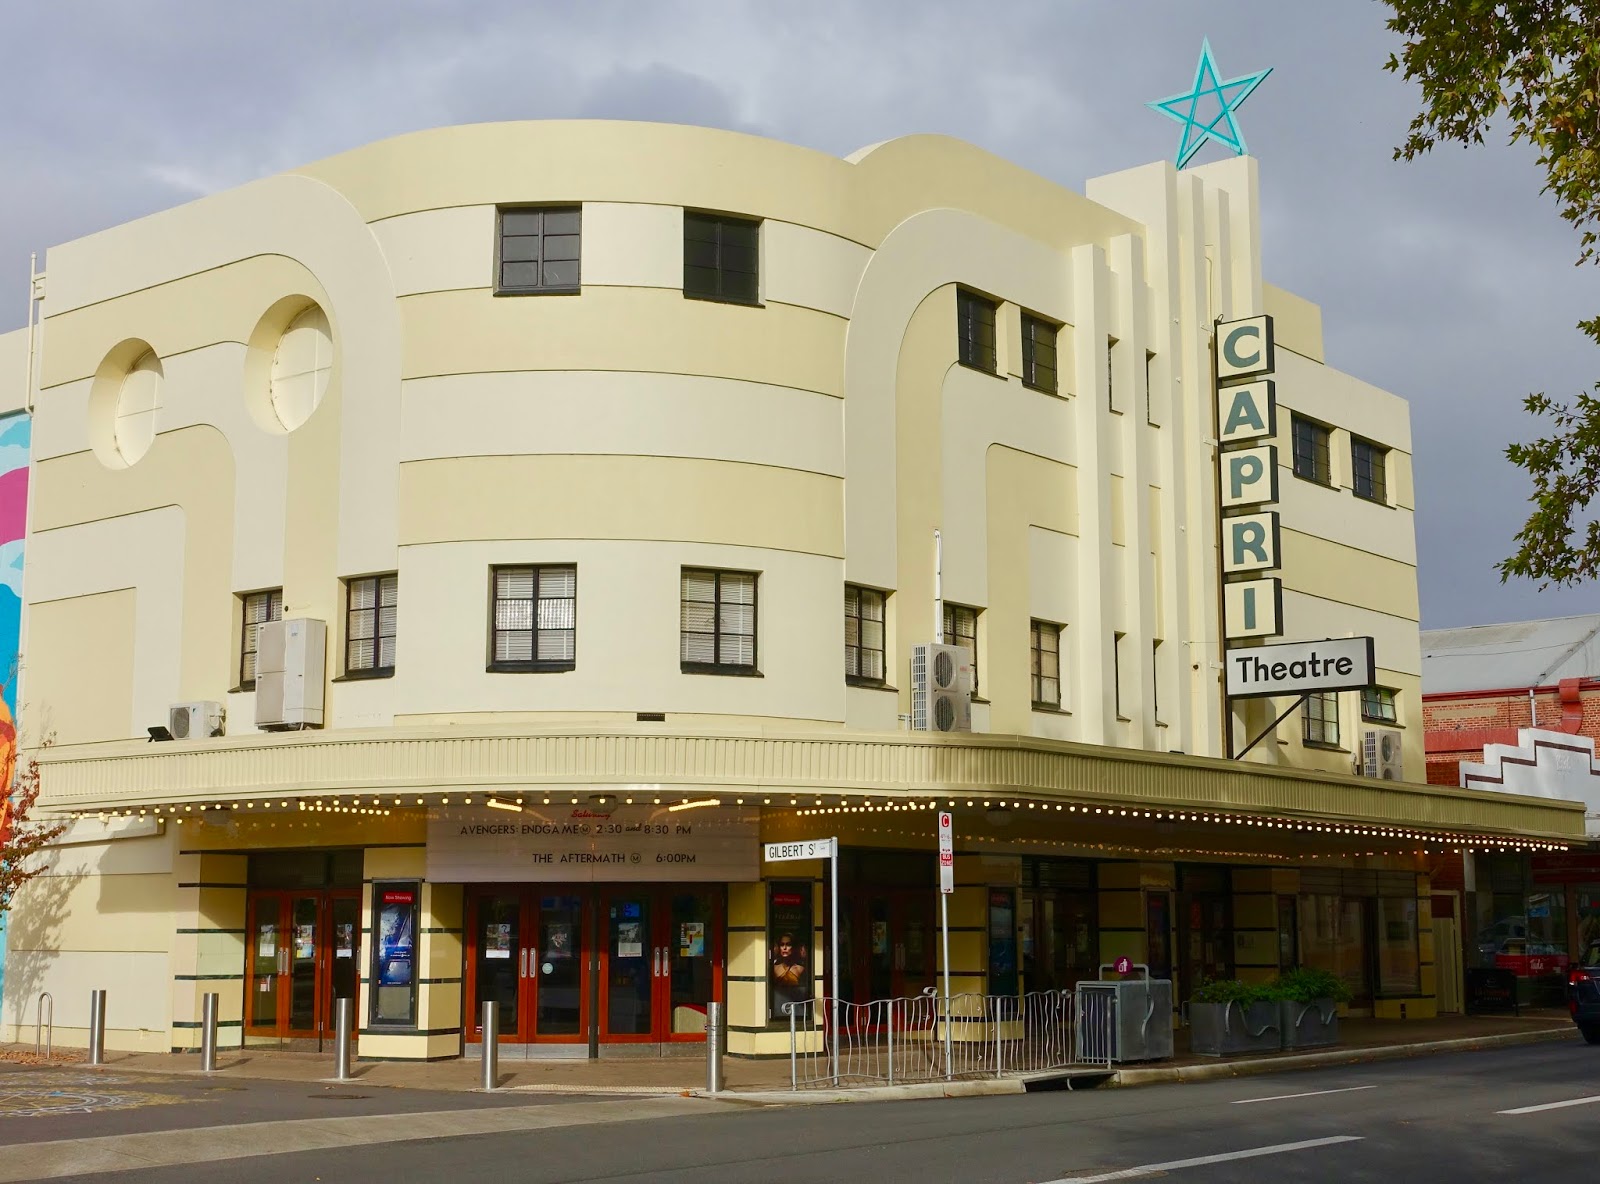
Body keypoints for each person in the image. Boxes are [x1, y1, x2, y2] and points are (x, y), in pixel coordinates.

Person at [771, 932, 809, 1014]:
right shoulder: (774, 969)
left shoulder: (800, 969)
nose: (784, 948)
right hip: (777, 1006)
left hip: (797, 1007)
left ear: (793, 947)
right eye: (782, 945)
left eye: (788, 945)